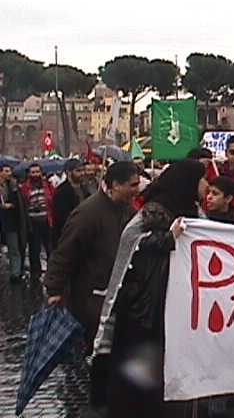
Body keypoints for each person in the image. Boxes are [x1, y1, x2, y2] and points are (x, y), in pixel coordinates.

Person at [106, 160, 208, 418]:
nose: (206, 186)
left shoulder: (188, 209)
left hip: (174, 305)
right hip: (149, 311)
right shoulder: (155, 211)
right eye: (203, 179)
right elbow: (134, 245)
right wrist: (168, 239)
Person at [44, 161, 140, 414]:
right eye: (131, 185)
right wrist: (54, 289)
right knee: (99, 353)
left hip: (116, 295)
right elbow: (65, 252)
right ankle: (99, 406)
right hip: (91, 298)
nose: (136, 190)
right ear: (114, 185)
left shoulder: (126, 210)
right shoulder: (88, 213)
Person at [20, 163, 55, 279]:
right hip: (33, 222)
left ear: (41, 173)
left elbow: (53, 200)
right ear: (29, 174)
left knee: (50, 247)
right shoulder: (25, 187)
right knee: (34, 249)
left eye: (37, 172)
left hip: (46, 220)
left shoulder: (48, 185)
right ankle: (36, 273)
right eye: (33, 172)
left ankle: (52, 271)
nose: (35, 174)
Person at [51, 159, 89, 249]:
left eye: (83, 170)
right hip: (69, 235)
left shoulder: (85, 189)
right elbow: (62, 217)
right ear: (68, 172)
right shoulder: (61, 191)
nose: (82, 173)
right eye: (78, 171)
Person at [0, 165, 28, 283]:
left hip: (10, 222)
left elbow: (18, 203)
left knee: (14, 248)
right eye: (6, 171)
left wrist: (12, 206)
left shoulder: (13, 186)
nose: (9, 173)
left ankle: (15, 273)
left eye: (10, 171)